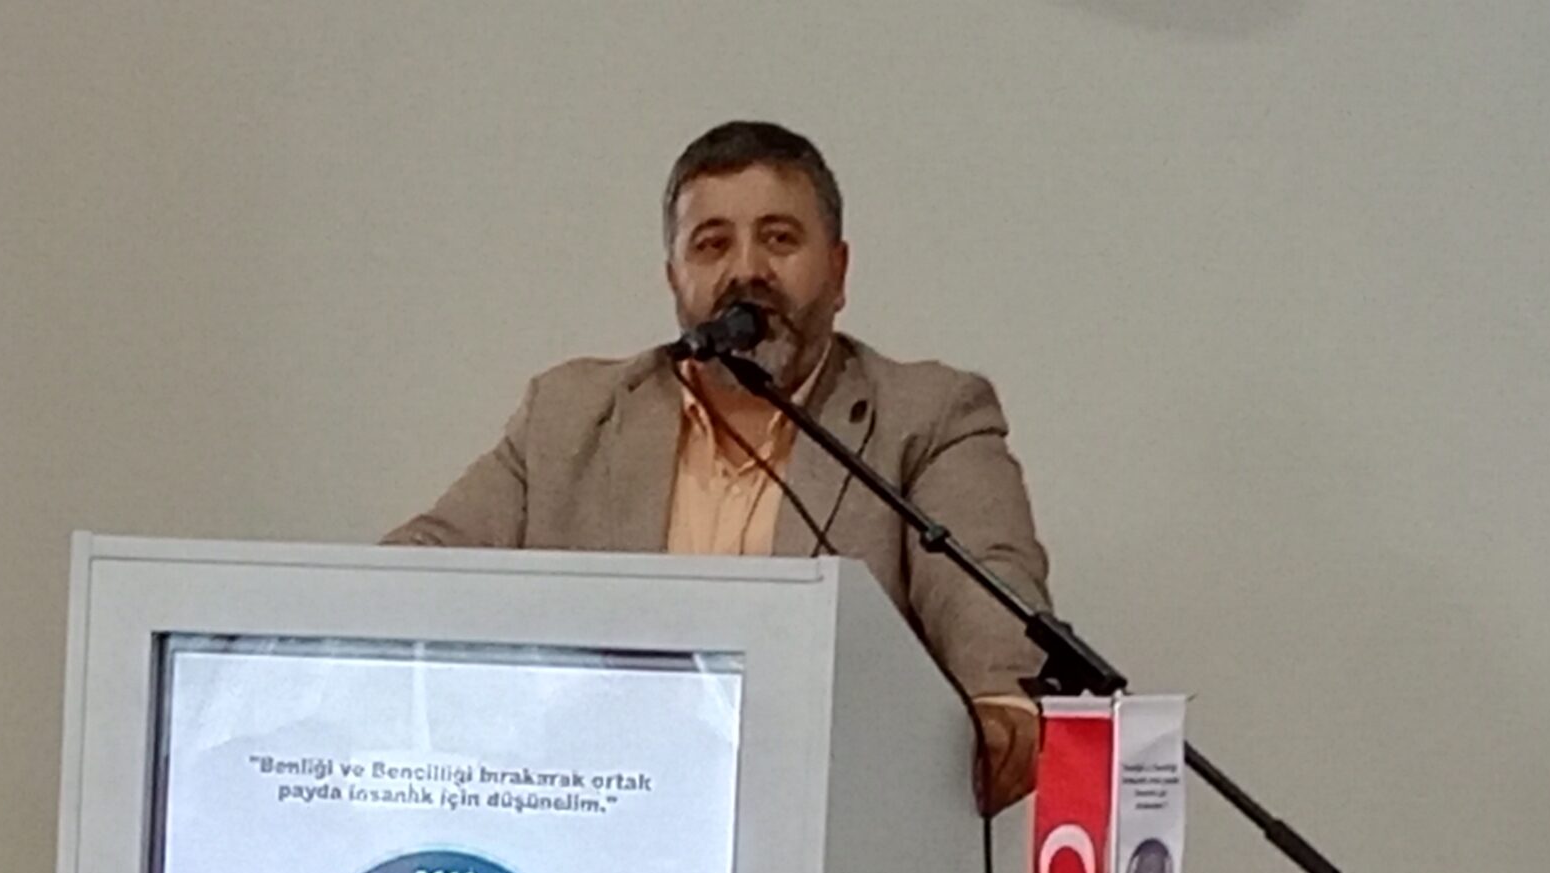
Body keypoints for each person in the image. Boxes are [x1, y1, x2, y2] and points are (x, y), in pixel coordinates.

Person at [387, 119, 1054, 814]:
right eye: (711, 245)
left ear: (838, 271)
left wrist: (1001, 698)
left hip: (826, 815)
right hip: (604, 810)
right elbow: (423, 565)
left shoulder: (927, 415)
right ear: (674, 277)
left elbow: (990, 581)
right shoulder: (570, 416)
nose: (745, 272)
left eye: (779, 239)